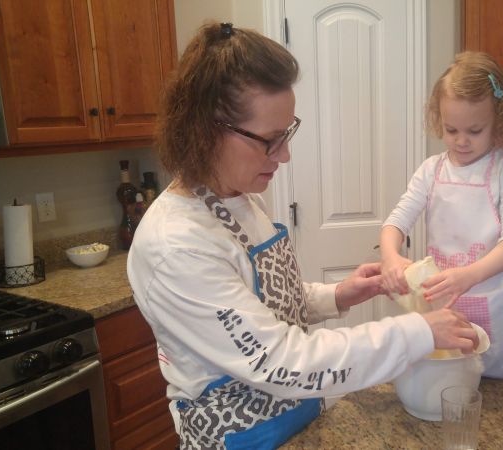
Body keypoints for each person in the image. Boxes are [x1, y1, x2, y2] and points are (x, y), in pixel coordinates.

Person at [126, 23, 478, 449]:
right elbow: (280, 361)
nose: (285, 155)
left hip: (299, 418)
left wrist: (337, 296)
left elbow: (262, 306)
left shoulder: (238, 198)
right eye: (270, 140)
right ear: (207, 129)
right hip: (241, 438)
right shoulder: (175, 246)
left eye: (287, 134)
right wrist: (417, 332)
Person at [379, 51, 503, 381]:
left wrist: (470, 275)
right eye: (451, 130)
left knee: (493, 396)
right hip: (443, 308)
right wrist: (391, 257)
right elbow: (396, 221)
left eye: (475, 131)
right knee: (447, 384)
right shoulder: (431, 171)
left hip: (496, 310)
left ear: (499, 120)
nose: (461, 141)